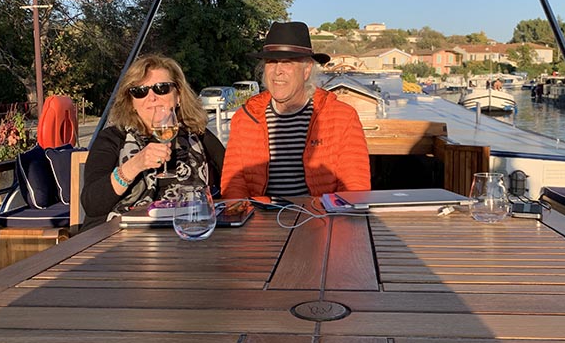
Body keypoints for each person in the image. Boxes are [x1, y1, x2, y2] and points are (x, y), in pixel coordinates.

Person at [221, 21, 371, 199]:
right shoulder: (244, 118)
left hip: (322, 220)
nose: (277, 71)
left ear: (307, 70)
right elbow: (233, 186)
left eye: (287, 63)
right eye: (271, 62)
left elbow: (354, 190)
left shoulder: (342, 117)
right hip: (261, 222)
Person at [81, 55, 223, 230]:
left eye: (161, 88)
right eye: (140, 91)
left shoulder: (199, 137)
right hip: (117, 239)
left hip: (185, 234)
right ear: (131, 102)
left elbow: (233, 181)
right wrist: (133, 166)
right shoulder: (112, 139)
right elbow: (92, 205)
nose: (152, 97)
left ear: (178, 95)